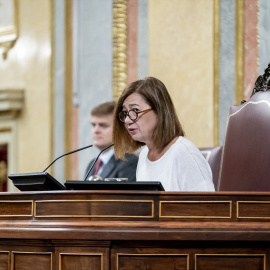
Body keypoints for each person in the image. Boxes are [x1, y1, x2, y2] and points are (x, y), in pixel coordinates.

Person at [113, 77, 215, 191]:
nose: (127, 120)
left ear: (159, 111)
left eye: (135, 110)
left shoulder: (184, 152)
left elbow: (208, 206)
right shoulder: (144, 155)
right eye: (125, 113)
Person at [85, 101, 138, 181]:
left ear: (120, 130)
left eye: (103, 125)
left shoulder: (128, 162)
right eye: (93, 125)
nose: (96, 130)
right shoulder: (92, 164)